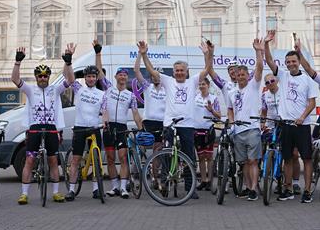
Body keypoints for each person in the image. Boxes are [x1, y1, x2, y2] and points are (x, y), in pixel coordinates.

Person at [138, 39, 213, 199]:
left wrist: (207, 54)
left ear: (186, 72)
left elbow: (207, 70)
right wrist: (144, 55)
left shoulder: (193, 82)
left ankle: (190, 187)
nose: (179, 72)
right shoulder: (168, 81)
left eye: (182, 70)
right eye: (177, 70)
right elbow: (152, 71)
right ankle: (164, 182)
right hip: (170, 124)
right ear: (173, 72)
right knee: (166, 153)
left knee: (189, 156)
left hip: (187, 125)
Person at [13, 45, 74, 204]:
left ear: (48, 77)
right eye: (39, 76)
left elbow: (71, 80)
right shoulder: (30, 90)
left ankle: (55, 192)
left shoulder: (54, 90)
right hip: (34, 129)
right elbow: (15, 80)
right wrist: (18, 62)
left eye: (45, 76)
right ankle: (24, 194)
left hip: (51, 128)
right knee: (30, 160)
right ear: (36, 77)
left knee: (53, 160)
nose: (42, 78)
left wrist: (68, 63)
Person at [263, 31, 318, 203]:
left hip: (301, 125)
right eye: (288, 62)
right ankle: (287, 189)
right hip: (285, 124)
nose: (291, 64)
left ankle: (307, 190)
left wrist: (302, 117)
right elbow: (270, 61)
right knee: (287, 158)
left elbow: (312, 103)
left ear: (299, 62)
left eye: (294, 61)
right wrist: (266, 44)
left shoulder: (308, 80)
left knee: (306, 158)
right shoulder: (283, 76)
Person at [95, 42, 144, 199]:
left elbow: (136, 114)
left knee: (123, 157)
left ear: (126, 78)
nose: (122, 76)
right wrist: (98, 53)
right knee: (110, 159)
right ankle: (115, 186)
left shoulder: (131, 95)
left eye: (124, 74)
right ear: (115, 77)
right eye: (120, 74)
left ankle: (123, 188)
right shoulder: (108, 88)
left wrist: (141, 128)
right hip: (109, 127)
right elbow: (99, 71)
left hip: (122, 128)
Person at [66, 45, 109, 201]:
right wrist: (69, 61)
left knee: (96, 159)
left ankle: (96, 189)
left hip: (94, 128)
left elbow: (104, 111)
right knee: (76, 159)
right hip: (79, 128)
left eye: (93, 76)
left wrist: (105, 122)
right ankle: (71, 190)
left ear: (97, 78)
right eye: (88, 76)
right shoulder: (79, 89)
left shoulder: (102, 94)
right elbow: (70, 78)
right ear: (85, 78)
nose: (91, 79)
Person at [225, 39, 265, 200]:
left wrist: (257, 51)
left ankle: (254, 188)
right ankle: (248, 188)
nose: (241, 77)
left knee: (253, 160)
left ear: (248, 76)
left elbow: (260, 68)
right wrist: (232, 123)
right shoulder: (231, 92)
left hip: (253, 128)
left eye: (243, 74)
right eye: (238, 74)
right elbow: (229, 110)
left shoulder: (253, 85)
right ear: (235, 76)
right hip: (238, 131)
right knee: (244, 163)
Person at [194, 77, 221, 191]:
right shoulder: (195, 98)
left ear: (208, 85)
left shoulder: (214, 98)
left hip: (208, 130)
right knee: (200, 157)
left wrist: (211, 110)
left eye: (203, 84)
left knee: (209, 157)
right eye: (200, 84)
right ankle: (203, 180)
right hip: (197, 130)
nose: (201, 86)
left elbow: (219, 116)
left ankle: (210, 180)